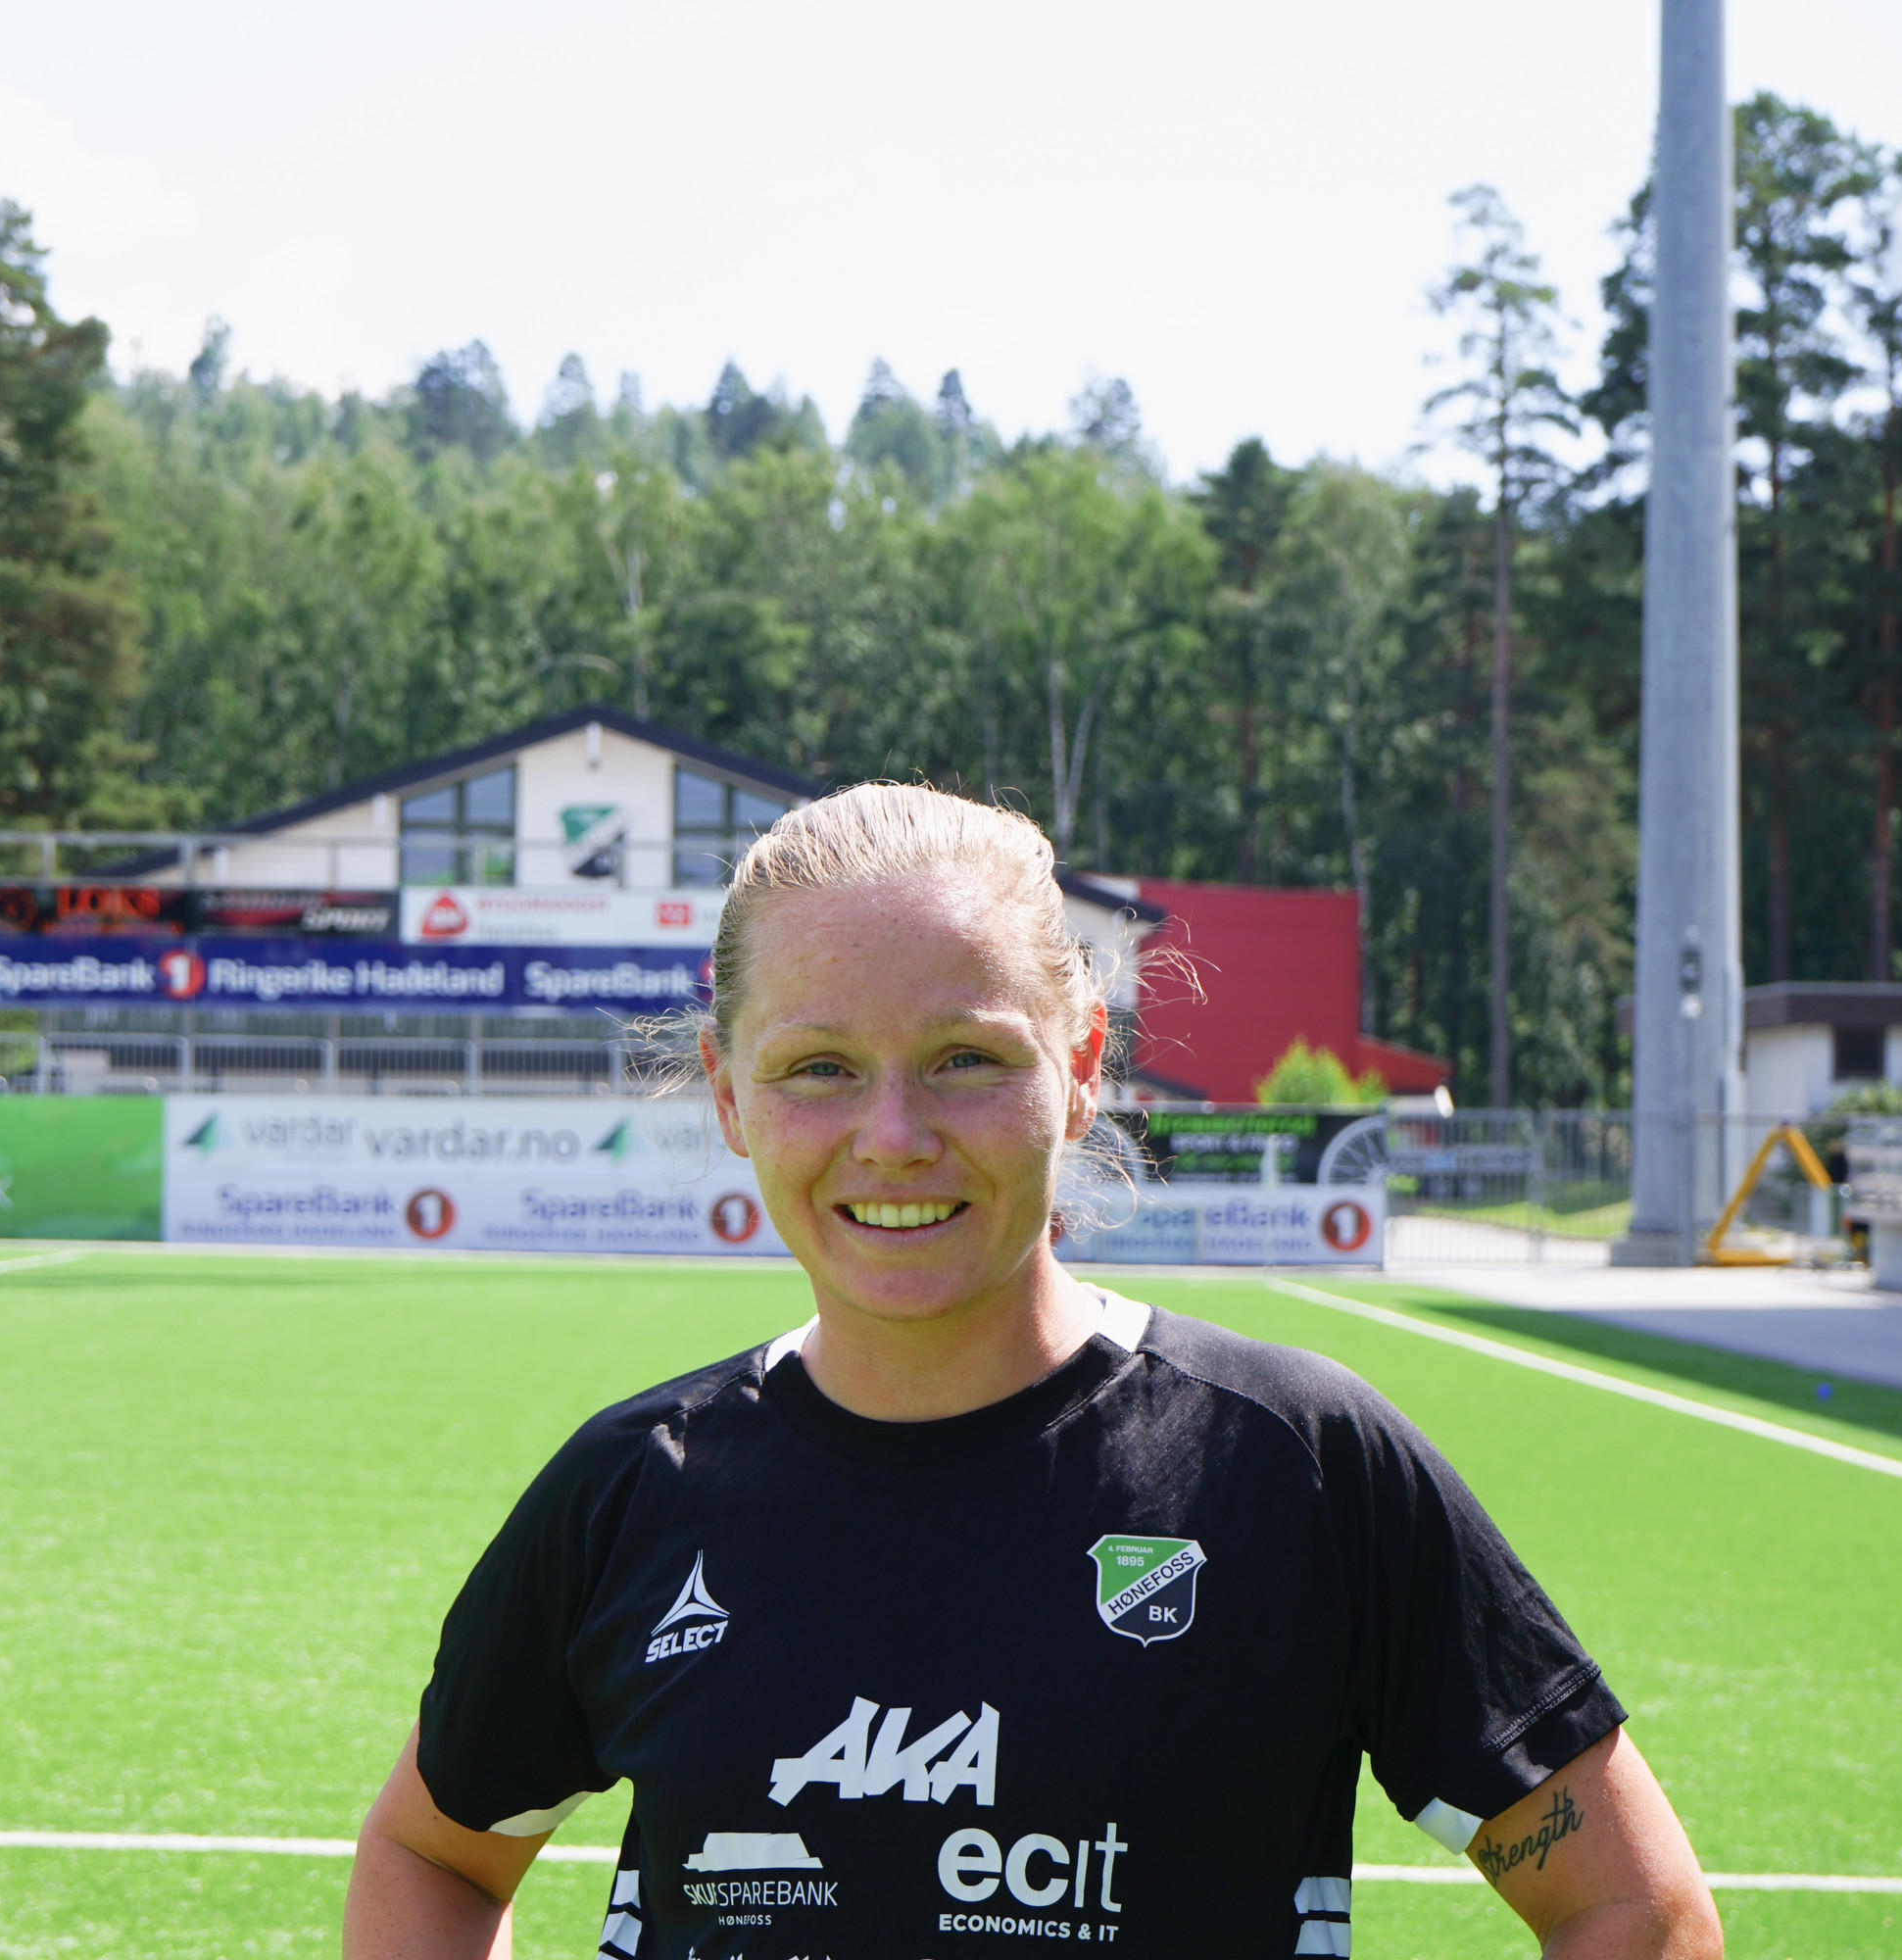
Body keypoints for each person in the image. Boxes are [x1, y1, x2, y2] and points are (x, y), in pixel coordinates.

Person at [344, 784, 1721, 1960]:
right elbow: (435, 1854)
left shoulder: (1291, 1466)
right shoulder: (632, 1492)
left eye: (965, 1060)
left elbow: (1632, 1912)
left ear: (1081, 1070)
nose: (892, 1136)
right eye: (818, 1067)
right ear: (727, 1095)